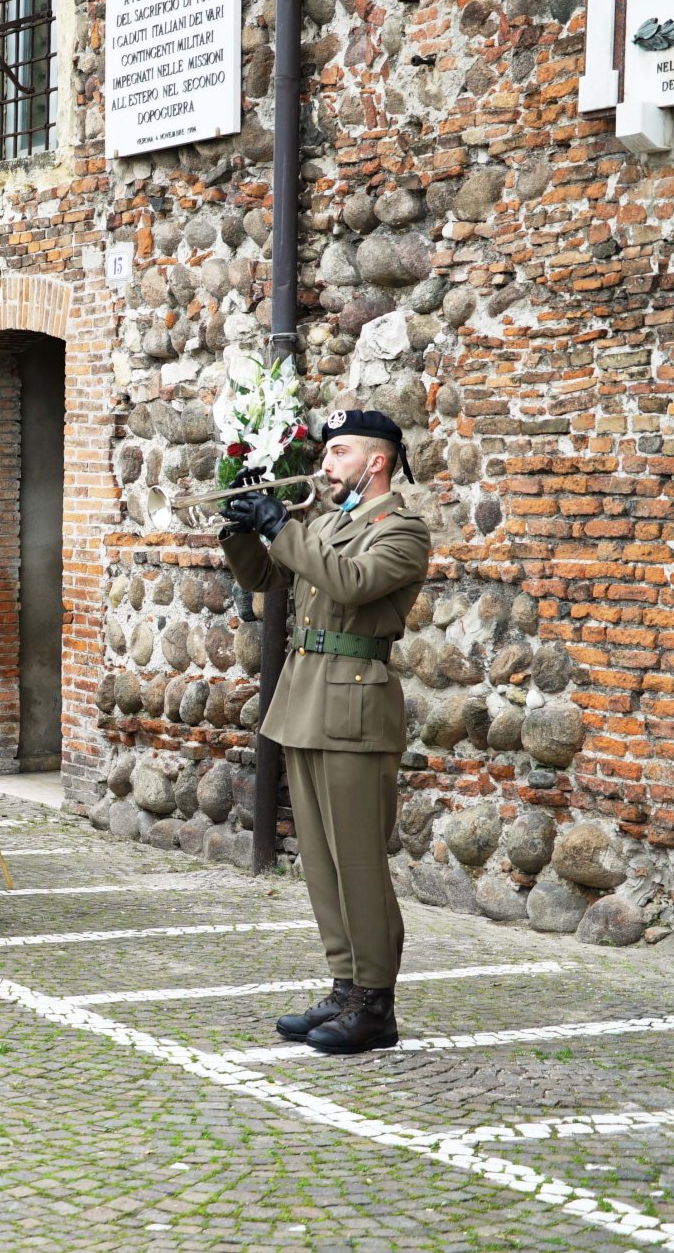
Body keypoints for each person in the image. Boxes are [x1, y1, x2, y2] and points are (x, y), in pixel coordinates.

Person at [220, 409, 430, 1055]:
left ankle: (375, 1002)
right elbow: (266, 580)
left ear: (377, 462)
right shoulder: (328, 525)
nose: (325, 463)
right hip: (306, 702)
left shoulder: (401, 532)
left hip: (355, 708)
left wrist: (282, 525)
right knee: (321, 861)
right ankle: (345, 984)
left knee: (358, 862)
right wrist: (241, 532)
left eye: (338, 452)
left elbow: (350, 582)